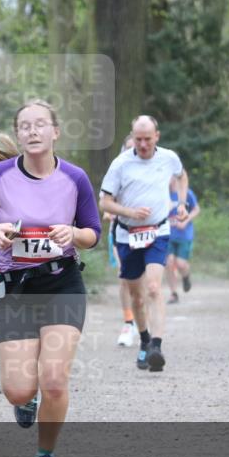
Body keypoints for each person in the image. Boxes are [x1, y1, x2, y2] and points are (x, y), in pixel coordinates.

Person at [0, 99, 101, 457]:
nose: (33, 131)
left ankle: (45, 456)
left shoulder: (75, 178)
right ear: (18, 135)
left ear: (55, 132)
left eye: (40, 124)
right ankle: (24, 401)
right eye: (25, 126)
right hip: (15, 288)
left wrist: (73, 233)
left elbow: (92, 233)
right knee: (17, 389)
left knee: (55, 380)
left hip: (62, 283)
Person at [100, 115, 188, 372]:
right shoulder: (121, 164)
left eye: (148, 139)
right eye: (138, 139)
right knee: (137, 298)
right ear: (132, 137)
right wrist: (128, 212)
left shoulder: (168, 158)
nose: (143, 144)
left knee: (153, 288)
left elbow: (181, 176)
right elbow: (105, 202)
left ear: (157, 137)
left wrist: (181, 203)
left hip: (158, 231)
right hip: (127, 234)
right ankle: (145, 340)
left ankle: (157, 348)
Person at [105, 134, 138, 347]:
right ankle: (128, 322)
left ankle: (141, 318)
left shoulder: (151, 174)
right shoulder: (116, 172)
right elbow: (106, 203)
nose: (132, 152)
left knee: (143, 282)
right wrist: (111, 213)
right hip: (119, 232)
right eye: (128, 148)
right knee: (124, 277)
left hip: (146, 234)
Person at [165, 180, 200, 304]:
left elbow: (196, 209)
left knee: (180, 264)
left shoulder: (186, 193)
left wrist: (185, 221)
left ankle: (186, 277)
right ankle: (173, 293)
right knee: (168, 263)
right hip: (167, 235)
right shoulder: (162, 193)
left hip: (184, 235)